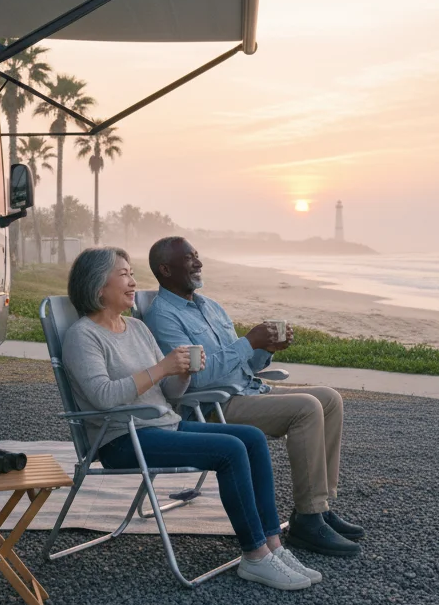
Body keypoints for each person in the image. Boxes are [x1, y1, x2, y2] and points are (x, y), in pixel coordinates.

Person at [62, 246, 320, 590]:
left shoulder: (136, 329)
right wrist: (162, 367)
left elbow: (169, 393)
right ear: (97, 287)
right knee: (229, 450)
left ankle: (273, 545)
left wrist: (181, 373)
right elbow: (103, 397)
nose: (133, 281)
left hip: (162, 426)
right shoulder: (83, 336)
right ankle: (255, 556)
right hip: (122, 439)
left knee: (252, 439)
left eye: (131, 273)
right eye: (123, 274)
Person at [144, 237, 364, 557]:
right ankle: (308, 519)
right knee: (306, 407)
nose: (199, 263)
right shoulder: (162, 316)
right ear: (165, 269)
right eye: (190, 258)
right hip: (211, 407)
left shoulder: (211, 307)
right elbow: (196, 376)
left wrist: (264, 349)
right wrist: (249, 341)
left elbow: (243, 364)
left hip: (247, 391)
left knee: (329, 398)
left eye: (198, 256)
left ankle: (320, 506)